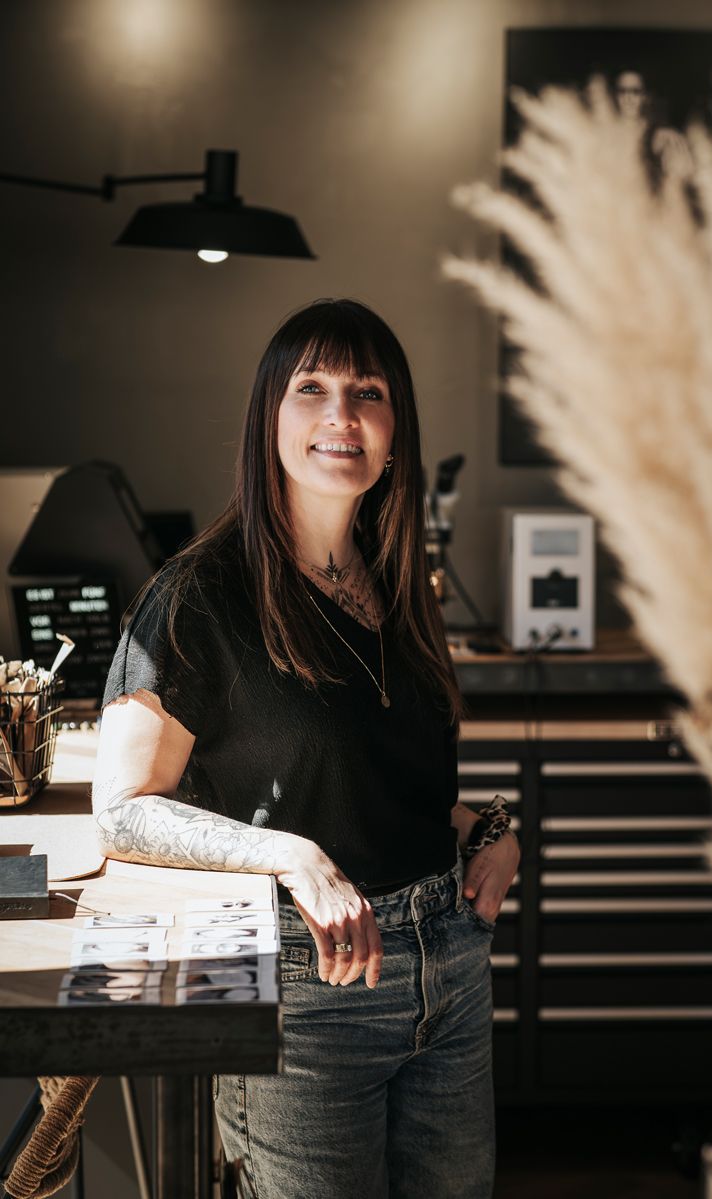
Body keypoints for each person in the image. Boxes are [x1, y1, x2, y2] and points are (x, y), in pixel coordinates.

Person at [92, 298, 520, 1198]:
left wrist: (488, 826)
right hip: (306, 989)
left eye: (368, 392)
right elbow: (122, 809)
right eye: (312, 388)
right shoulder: (201, 593)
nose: (342, 415)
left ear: (395, 429)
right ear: (268, 418)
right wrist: (287, 854)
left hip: (447, 967)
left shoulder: (399, 581)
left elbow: (379, 782)